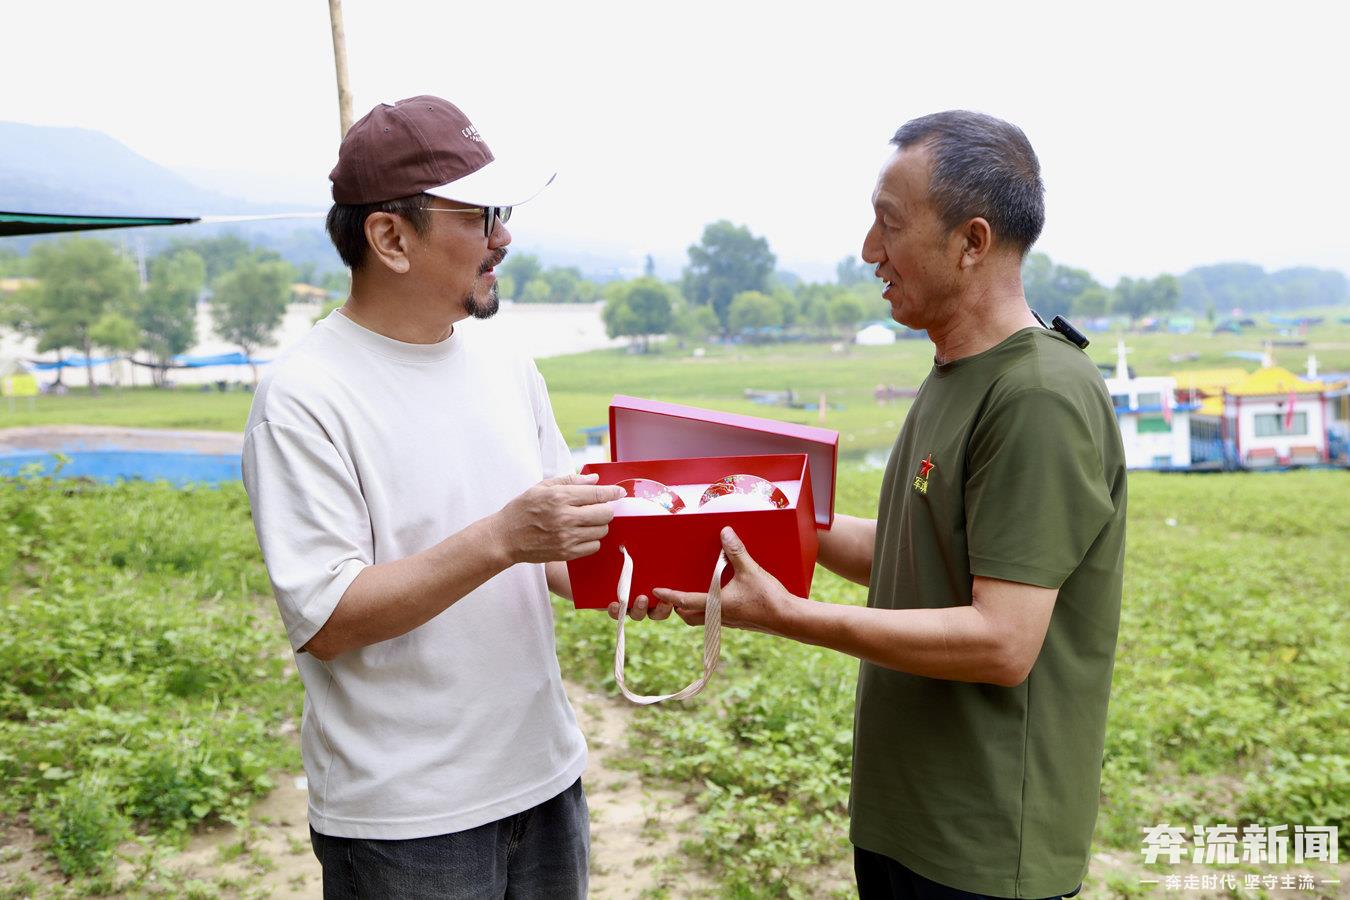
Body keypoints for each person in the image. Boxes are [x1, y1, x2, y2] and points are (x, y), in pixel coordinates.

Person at [650, 111, 1127, 899]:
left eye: (889, 224)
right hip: (906, 823)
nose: (870, 249)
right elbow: (915, 551)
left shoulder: (1038, 396)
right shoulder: (958, 371)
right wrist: (747, 519)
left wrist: (786, 615)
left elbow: (1002, 642)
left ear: (971, 242)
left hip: (983, 849)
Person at [241, 95, 624, 899]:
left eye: (504, 214)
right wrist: (503, 538)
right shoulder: (306, 394)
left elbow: (557, 549)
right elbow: (329, 620)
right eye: (482, 216)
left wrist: (652, 570)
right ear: (390, 238)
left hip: (544, 776)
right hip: (407, 820)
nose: (503, 238)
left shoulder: (506, 362)